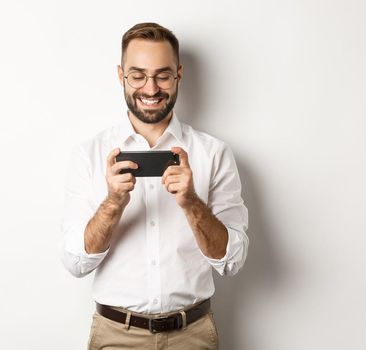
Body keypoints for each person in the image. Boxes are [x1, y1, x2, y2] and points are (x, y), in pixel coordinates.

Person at [61, 22, 249, 350]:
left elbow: (233, 262)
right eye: (138, 75)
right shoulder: (89, 154)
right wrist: (113, 203)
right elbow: (76, 263)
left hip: (192, 335)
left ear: (179, 74)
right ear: (121, 75)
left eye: (162, 75)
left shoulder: (213, 153)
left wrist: (192, 203)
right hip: (115, 336)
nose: (150, 89)